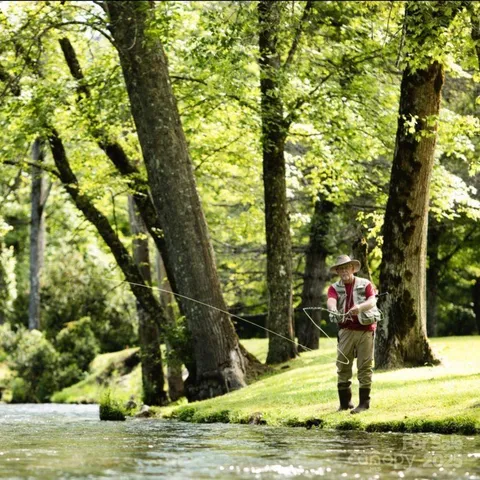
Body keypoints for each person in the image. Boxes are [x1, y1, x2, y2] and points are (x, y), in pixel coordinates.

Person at [327, 254, 380, 414]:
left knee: (364, 366)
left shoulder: (366, 284)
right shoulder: (333, 288)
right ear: (337, 271)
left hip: (366, 330)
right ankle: (345, 404)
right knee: (342, 365)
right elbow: (331, 301)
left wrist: (361, 307)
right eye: (340, 268)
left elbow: (372, 300)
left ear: (352, 268)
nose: (344, 271)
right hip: (346, 331)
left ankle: (364, 404)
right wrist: (333, 310)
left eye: (346, 267)